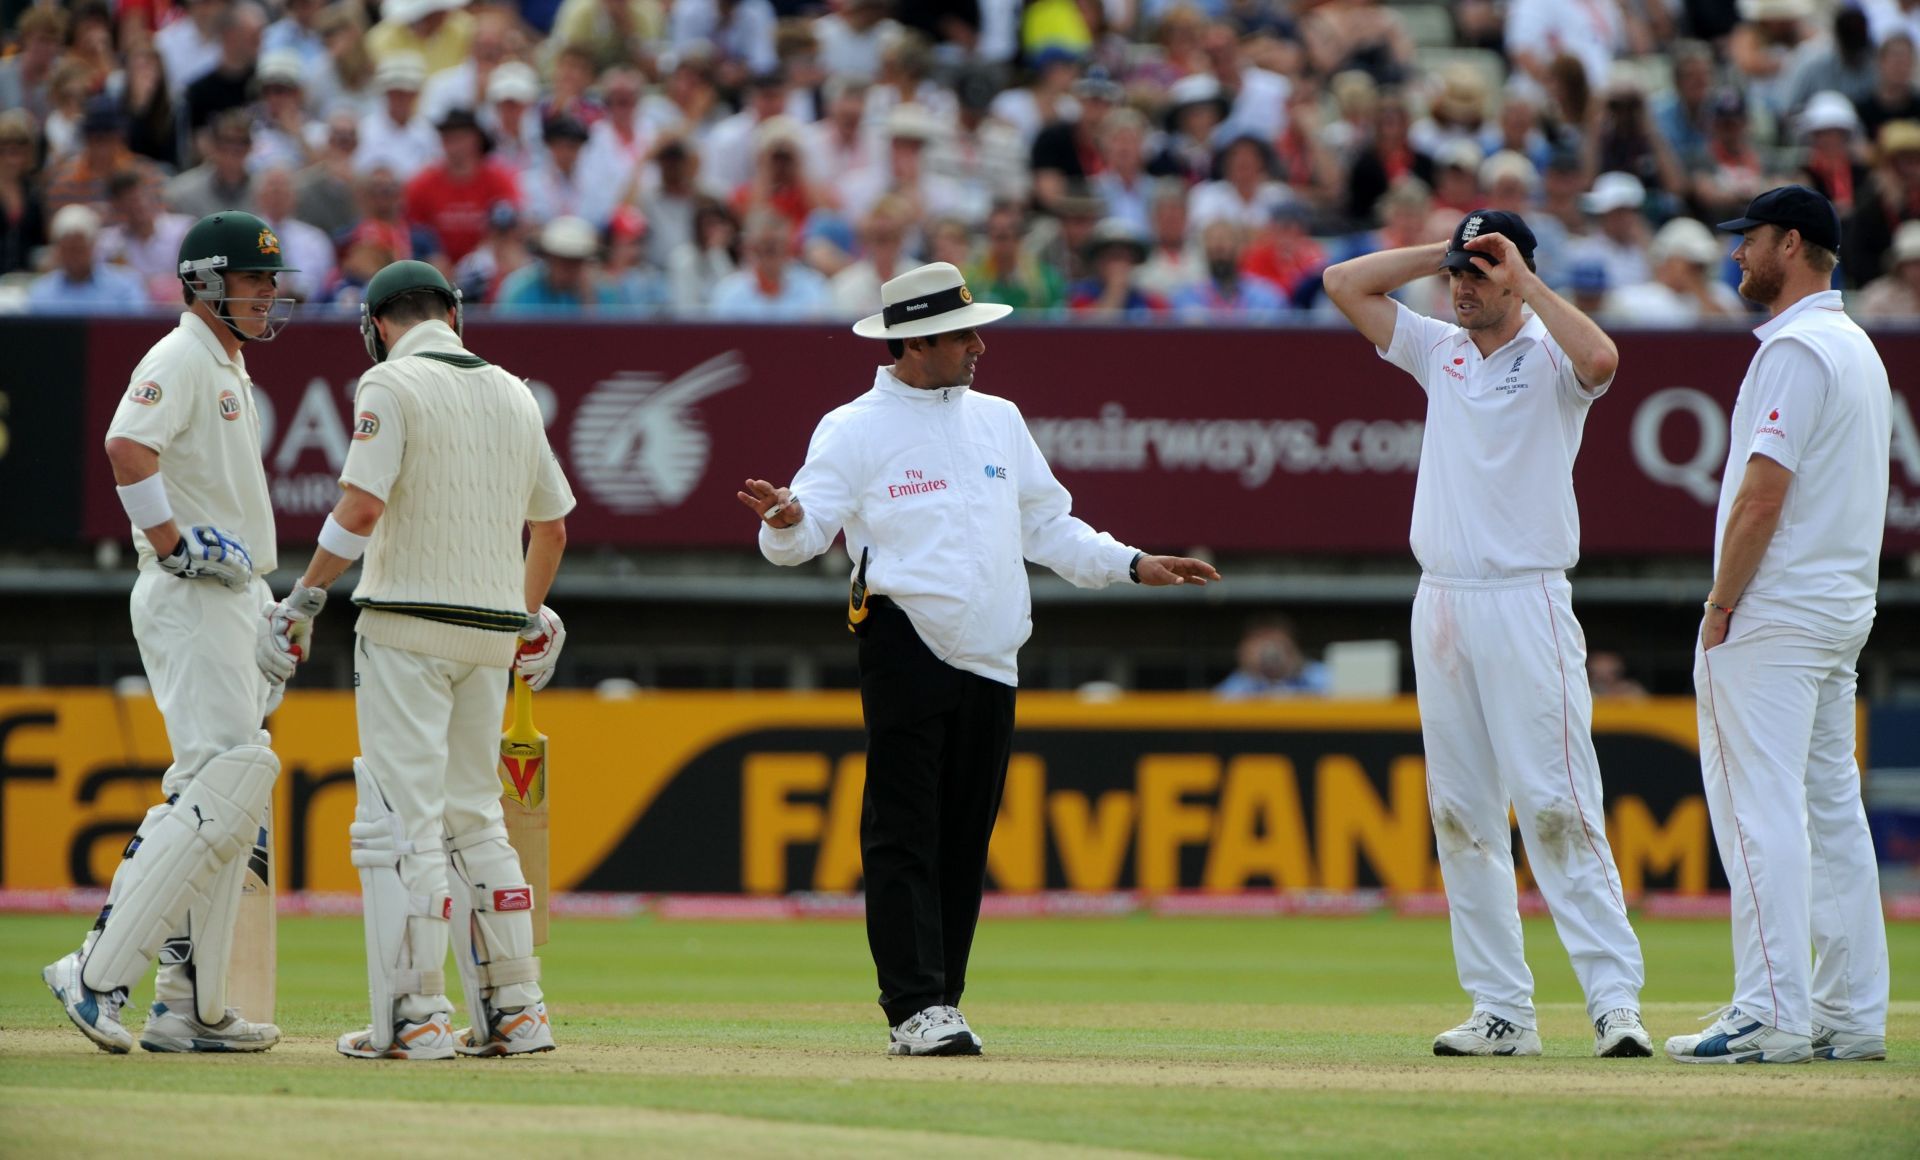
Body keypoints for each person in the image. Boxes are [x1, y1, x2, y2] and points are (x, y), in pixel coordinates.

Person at [738, 262, 1219, 1056]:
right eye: (964, 333)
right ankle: (913, 1007)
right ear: (917, 342)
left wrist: (1134, 563)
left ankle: (943, 1002)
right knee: (903, 832)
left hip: (995, 655)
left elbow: (1051, 526)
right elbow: (798, 532)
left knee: (963, 838)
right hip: (905, 640)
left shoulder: (998, 420)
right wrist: (786, 521)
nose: (980, 347)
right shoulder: (853, 427)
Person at [1322, 210, 1650, 1059]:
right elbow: (1343, 283)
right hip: (1443, 599)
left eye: (1480, 270)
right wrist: (1442, 251)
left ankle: (1615, 1003)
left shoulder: (1551, 353)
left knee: (1556, 802)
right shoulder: (1440, 348)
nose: (1463, 286)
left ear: (1517, 273)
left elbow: (1604, 361)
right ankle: (1502, 1009)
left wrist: (1523, 276)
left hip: (1526, 596)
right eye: (1458, 273)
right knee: (1461, 812)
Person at [258, 260, 573, 1059]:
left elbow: (360, 506)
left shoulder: (389, 386)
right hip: (488, 633)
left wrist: (303, 595)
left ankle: (418, 1016)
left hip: (404, 625)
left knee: (406, 821)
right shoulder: (513, 389)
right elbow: (553, 529)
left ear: (376, 327)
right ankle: (519, 1010)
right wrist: (526, 614)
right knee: (476, 814)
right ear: (453, 316)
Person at [42, 211, 296, 1055]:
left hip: (232, 597)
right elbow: (125, 447)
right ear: (205, 283)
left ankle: (189, 1007)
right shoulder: (181, 354)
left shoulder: (227, 364)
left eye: (270, 280)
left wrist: (260, 601)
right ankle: (95, 969)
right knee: (221, 784)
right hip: (191, 597)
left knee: (227, 796)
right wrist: (170, 543)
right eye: (254, 280)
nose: (268, 294)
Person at [1665, 187, 1891, 1065]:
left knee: (1759, 810)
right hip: (1839, 610)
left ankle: (1770, 1012)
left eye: (1750, 241)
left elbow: (1762, 495)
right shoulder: (1857, 346)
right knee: (1830, 809)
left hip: (1777, 608)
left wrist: (1722, 604)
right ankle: (1849, 1013)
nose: (1737, 257)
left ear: (1791, 244)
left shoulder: (1796, 349)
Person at [29, 204, 149, 312]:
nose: (73, 257)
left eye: (79, 249)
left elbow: (139, 330)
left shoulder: (125, 287)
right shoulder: (42, 292)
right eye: (67, 250)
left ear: (93, 246)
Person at [1215, 619, 1329, 697]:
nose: (1271, 652)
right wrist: (1251, 672)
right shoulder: (1236, 686)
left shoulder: (1324, 676)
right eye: (1262, 644)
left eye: (1278, 643)